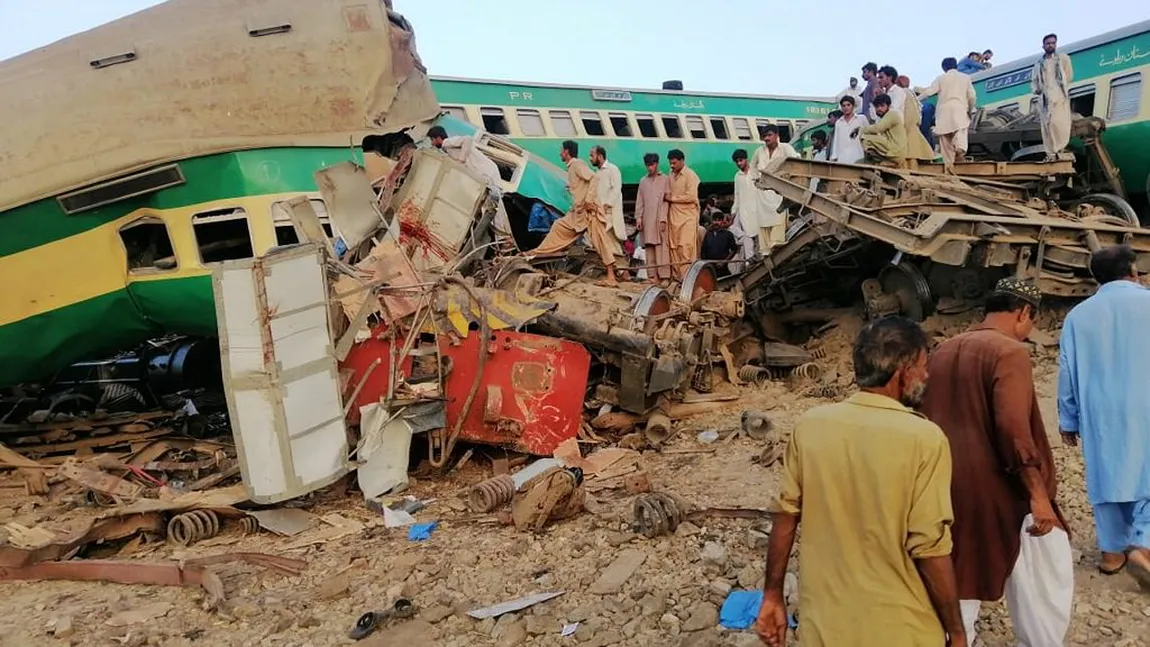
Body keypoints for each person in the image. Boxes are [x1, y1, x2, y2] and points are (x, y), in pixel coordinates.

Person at [753, 316, 966, 647]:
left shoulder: (810, 426)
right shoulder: (925, 439)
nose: (926, 376)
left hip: (824, 629)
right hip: (902, 630)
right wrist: (956, 629)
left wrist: (772, 596)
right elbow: (929, 546)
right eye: (923, 366)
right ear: (904, 370)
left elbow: (785, 516)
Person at [921, 278, 1073, 645]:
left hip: (946, 482)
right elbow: (1012, 427)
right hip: (1001, 489)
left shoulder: (944, 349)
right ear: (1023, 312)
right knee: (1042, 575)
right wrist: (1036, 493)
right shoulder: (1009, 352)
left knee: (962, 569)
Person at [1058, 245, 1150, 589]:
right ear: (1134, 272)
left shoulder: (1078, 316)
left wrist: (1068, 420)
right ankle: (1144, 546)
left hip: (1099, 409)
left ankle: (1112, 553)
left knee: (1107, 472)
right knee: (1148, 473)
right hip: (1146, 401)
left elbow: (1066, 370)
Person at [530, 140, 622, 285]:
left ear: (566, 152)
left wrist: (589, 200)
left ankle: (612, 277)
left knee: (600, 242)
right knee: (559, 226)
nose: (560, 153)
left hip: (588, 212)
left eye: (561, 150)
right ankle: (538, 253)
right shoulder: (572, 167)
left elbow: (594, 178)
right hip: (578, 212)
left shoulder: (577, 164)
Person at [428, 125, 513, 240]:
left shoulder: (447, 143)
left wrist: (461, 159)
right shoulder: (447, 149)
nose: (432, 143)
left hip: (487, 173)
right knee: (492, 208)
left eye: (432, 140)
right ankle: (502, 239)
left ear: (438, 138)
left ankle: (504, 239)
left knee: (494, 207)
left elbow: (467, 138)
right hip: (486, 174)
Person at [919, 57, 977, 172]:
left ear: (944, 68)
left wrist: (916, 99)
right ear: (956, 66)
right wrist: (970, 110)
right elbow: (972, 96)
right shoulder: (965, 78)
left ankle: (949, 166)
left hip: (943, 112)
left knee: (945, 141)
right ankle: (960, 149)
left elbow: (929, 91)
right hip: (960, 109)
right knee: (960, 131)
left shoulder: (941, 78)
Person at [751, 125, 798, 253]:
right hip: (762, 192)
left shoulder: (785, 148)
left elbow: (796, 160)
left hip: (779, 190)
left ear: (777, 135)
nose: (767, 138)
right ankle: (765, 250)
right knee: (763, 221)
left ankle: (776, 244)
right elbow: (753, 166)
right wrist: (755, 179)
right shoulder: (759, 151)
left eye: (769, 135)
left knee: (778, 216)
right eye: (764, 136)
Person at [877, 66, 932, 166]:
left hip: (901, 131)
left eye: (881, 77)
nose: (878, 80)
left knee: (908, 161)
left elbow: (895, 112)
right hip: (892, 133)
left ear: (889, 78)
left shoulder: (898, 91)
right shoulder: (887, 93)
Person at [1031, 33, 1074, 160]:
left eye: (1053, 43)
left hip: (1059, 96)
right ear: (1043, 46)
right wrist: (1037, 90)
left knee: (1058, 122)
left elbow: (1069, 75)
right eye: (1048, 43)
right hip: (1045, 98)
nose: (1051, 45)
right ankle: (1050, 152)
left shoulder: (1063, 59)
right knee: (1047, 125)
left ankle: (1059, 148)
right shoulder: (1039, 64)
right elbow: (1034, 81)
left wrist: (1060, 88)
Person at [634, 153, 672, 284]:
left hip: (660, 218)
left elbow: (666, 201)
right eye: (648, 165)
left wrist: (663, 219)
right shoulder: (643, 181)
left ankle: (665, 277)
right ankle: (652, 276)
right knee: (648, 247)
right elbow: (640, 201)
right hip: (647, 219)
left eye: (652, 164)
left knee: (662, 248)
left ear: (657, 164)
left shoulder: (665, 179)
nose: (650, 167)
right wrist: (638, 218)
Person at [665, 149, 700, 281]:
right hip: (673, 217)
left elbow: (691, 197)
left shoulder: (691, 175)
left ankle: (687, 280)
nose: (672, 166)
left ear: (681, 161)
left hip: (687, 217)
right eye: (670, 163)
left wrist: (672, 198)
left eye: (674, 163)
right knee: (674, 248)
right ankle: (677, 278)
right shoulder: (670, 175)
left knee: (686, 248)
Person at [731, 149, 771, 261]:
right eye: (737, 162)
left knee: (761, 236)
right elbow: (737, 195)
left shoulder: (757, 172)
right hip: (745, 211)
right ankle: (750, 263)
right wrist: (733, 212)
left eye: (741, 160)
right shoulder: (737, 176)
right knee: (747, 236)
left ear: (746, 159)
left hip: (758, 208)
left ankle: (764, 260)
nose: (739, 163)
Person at [589, 146, 626, 243]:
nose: (590, 158)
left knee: (611, 240)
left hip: (610, 212)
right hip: (601, 212)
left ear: (600, 156)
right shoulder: (597, 172)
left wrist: (607, 204)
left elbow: (617, 188)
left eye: (592, 155)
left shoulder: (612, 169)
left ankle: (618, 258)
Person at [859, 94, 907, 166]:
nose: (879, 109)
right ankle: (885, 161)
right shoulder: (883, 118)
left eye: (882, 106)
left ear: (889, 106)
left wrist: (861, 130)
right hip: (893, 150)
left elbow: (878, 128)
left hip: (895, 150)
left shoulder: (892, 114)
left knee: (864, 138)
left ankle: (879, 160)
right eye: (877, 107)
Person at [700, 212, 739, 278]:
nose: (716, 222)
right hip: (709, 267)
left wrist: (724, 262)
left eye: (719, 220)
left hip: (722, 268)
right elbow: (703, 250)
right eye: (715, 220)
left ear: (722, 222)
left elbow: (734, 250)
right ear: (712, 221)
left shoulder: (728, 234)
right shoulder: (708, 234)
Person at [831, 96, 868, 164]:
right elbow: (836, 141)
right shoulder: (839, 122)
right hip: (842, 159)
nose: (846, 108)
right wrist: (834, 157)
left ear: (853, 106)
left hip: (859, 157)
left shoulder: (861, 119)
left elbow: (869, 136)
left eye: (848, 105)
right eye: (843, 106)